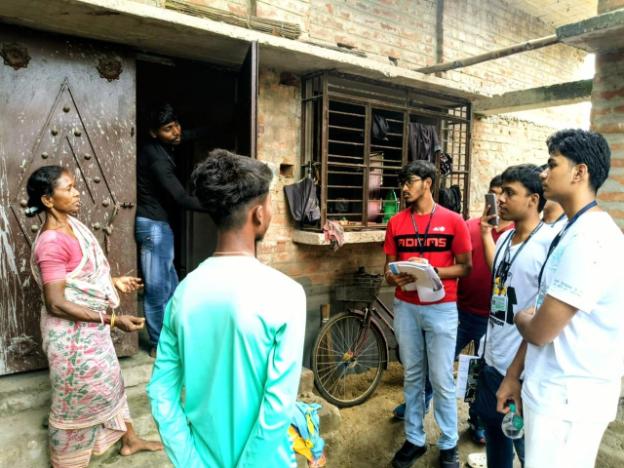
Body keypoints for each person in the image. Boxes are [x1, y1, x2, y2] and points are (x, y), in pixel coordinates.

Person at [147, 150, 306, 467]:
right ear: (258, 214)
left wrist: (189, 461)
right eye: (271, 202)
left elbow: (161, 392)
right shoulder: (286, 294)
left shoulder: (184, 293)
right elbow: (278, 406)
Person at [498, 129, 624, 468]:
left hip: (570, 399)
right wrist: (514, 373)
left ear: (579, 172)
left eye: (552, 164)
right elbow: (542, 315)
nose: (543, 173)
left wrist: (522, 317)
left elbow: (540, 329)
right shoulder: (572, 229)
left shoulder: (591, 239)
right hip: (552, 389)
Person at [26, 165, 162, 468]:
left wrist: (113, 282)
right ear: (48, 200)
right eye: (69, 188)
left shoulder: (73, 226)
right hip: (72, 342)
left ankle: (130, 441)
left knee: (111, 382)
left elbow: (76, 279)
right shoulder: (51, 243)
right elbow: (56, 303)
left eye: (76, 186)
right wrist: (113, 320)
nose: (78, 193)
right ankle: (67, 462)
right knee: (77, 401)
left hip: (90, 334)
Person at [393, 175, 514, 447]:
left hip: (493, 318)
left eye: (505, 193)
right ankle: (420, 404)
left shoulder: (516, 235)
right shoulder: (469, 226)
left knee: (479, 371)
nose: (499, 200)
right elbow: (462, 265)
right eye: (494, 193)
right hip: (459, 309)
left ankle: (476, 419)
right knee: (438, 369)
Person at [384, 160, 472, 468]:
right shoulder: (396, 222)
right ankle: (415, 439)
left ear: (428, 183)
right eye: (402, 182)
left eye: (409, 181)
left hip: (442, 307)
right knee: (412, 375)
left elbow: (465, 266)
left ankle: (449, 444)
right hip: (406, 307)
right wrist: (393, 277)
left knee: (441, 376)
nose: (404, 188)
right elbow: (387, 269)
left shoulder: (454, 221)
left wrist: (434, 270)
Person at [473, 164, 560, 468]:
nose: (501, 199)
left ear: (533, 199)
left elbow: (546, 315)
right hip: (492, 360)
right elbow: (500, 275)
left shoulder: (549, 245)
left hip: (522, 371)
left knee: (528, 448)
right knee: (496, 439)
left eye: (510, 193)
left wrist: (516, 372)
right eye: (501, 193)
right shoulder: (505, 239)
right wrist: (486, 233)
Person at [135, 103, 207, 355]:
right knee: (157, 289)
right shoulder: (156, 158)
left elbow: (188, 135)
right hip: (153, 227)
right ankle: (158, 343)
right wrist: (220, 205)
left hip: (159, 226)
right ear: (154, 133)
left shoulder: (165, 143)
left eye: (176, 124)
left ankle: (172, 337)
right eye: (168, 128)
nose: (176, 131)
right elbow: (181, 198)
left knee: (172, 287)